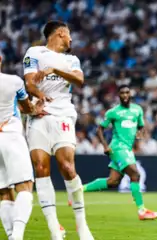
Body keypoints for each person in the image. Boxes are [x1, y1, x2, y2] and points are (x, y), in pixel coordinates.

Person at [23, 20, 93, 240]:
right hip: (39, 115)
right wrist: (38, 96)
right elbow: (29, 83)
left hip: (63, 114)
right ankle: (54, 230)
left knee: (67, 167)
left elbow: (80, 79)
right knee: (41, 168)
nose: (71, 39)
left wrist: (55, 70)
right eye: (69, 35)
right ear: (61, 33)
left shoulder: (71, 59)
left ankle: (82, 228)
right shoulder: (34, 52)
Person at [82, 85, 157, 220]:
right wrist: (105, 146)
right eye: (122, 93)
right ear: (118, 96)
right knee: (135, 174)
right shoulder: (113, 112)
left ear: (130, 95)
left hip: (127, 149)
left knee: (113, 182)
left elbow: (141, 127)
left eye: (127, 92)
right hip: (117, 147)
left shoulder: (137, 110)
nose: (125, 95)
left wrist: (139, 135)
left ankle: (80, 189)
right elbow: (99, 129)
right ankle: (142, 211)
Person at [0, 54, 46, 240]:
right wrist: (37, 108)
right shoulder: (14, 81)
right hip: (10, 136)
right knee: (25, 187)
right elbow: (27, 107)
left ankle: (11, 235)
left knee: (4, 191)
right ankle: (17, 236)